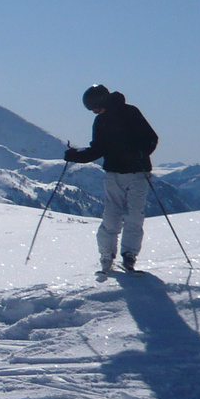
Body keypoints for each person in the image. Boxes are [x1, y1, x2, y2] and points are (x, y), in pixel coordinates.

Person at [65, 84, 158, 274]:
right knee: (113, 215)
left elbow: (151, 138)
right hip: (115, 174)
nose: (93, 112)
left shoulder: (131, 113)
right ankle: (107, 255)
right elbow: (98, 149)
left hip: (137, 173)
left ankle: (128, 255)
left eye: (93, 107)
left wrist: (138, 154)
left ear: (101, 102)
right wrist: (77, 156)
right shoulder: (101, 121)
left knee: (133, 215)